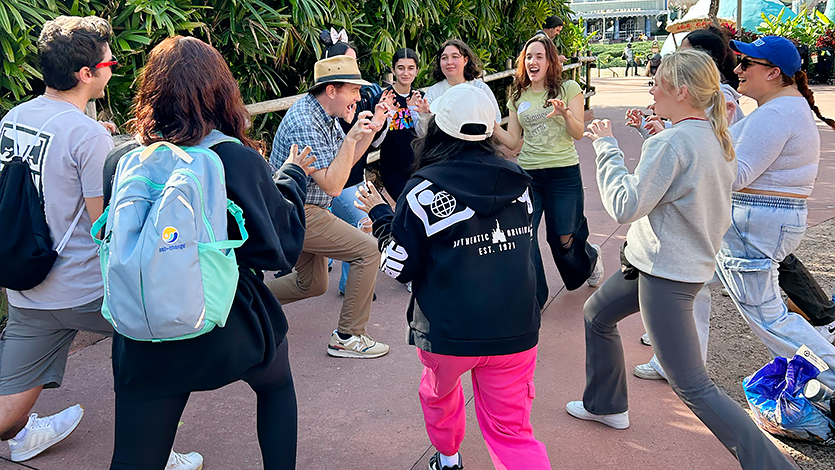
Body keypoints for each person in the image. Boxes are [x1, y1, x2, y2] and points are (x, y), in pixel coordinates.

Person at [568, 49, 796, 470]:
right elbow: (679, 182)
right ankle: (605, 404)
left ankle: (774, 466)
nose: (650, 88)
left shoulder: (676, 141)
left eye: (657, 82)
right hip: (657, 264)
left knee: (693, 386)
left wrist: (606, 146)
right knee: (596, 314)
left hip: (666, 274)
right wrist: (651, 138)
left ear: (682, 90)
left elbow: (625, 205)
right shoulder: (712, 133)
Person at [103, 36, 313, 469]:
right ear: (221, 92)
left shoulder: (124, 159)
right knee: (275, 386)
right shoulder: (232, 158)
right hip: (226, 321)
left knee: (134, 457)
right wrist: (290, 178)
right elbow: (280, 246)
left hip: (145, 323)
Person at [0, 16, 198, 468]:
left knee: (6, 419)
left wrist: (94, 142)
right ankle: (154, 453)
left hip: (26, 285)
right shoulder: (85, 135)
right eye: (109, 61)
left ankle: (24, 435)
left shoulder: (16, 117)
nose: (113, 68)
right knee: (161, 346)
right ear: (85, 73)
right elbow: (103, 225)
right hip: (84, 290)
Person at [355, 84, 550, 470]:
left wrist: (381, 218)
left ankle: (448, 458)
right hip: (516, 325)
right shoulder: (520, 182)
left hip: (447, 328)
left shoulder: (422, 189)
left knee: (440, 398)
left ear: (437, 128)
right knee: (512, 432)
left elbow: (398, 265)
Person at [714, 36, 835, 388]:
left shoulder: (778, 113)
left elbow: (736, 175)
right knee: (768, 317)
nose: (737, 70)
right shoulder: (781, 108)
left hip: (757, 219)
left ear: (773, 73)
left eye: (746, 63)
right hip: (764, 218)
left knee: (770, 319)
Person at [267, 55, 391, 359]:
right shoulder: (305, 122)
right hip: (296, 210)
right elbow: (334, 185)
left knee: (312, 284)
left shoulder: (323, 113)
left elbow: (341, 168)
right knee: (369, 250)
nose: (359, 98)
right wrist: (351, 138)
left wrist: (369, 132)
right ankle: (348, 336)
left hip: (307, 207)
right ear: (331, 90)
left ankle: (244, 303)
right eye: (354, 90)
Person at [492, 35, 604, 311]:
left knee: (563, 238)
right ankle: (534, 297)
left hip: (564, 172)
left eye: (539, 56)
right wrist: (492, 127)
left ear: (550, 60)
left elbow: (578, 134)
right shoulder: (518, 95)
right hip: (529, 174)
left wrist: (566, 114)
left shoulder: (568, 88)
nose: (533, 61)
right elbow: (514, 142)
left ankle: (589, 259)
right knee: (525, 235)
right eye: (529, 56)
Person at [317, 30, 394, 298]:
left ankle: (347, 280)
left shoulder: (366, 95)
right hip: (333, 183)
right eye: (347, 63)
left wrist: (381, 119)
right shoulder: (328, 105)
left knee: (367, 222)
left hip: (359, 178)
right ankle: (352, 285)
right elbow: (336, 159)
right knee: (362, 226)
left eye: (355, 63)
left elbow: (375, 143)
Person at [413, 39, 501, 137]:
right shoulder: (433, 92)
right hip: (443, 149)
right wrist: (424, 116)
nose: (449, 62)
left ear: (465, 60)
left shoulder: (480, 89)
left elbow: (496, 121)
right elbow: (422, 134)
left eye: (455, 57)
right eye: (444, 58)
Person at [378, 48, 423, 201]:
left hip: (419, 166)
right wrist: (387, 115)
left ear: (417, 70)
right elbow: (376, 139)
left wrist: (418, 112)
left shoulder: (420, 98)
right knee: (405, 204)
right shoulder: (385, 98)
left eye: (411, 68)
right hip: (392, 168)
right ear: (393, 70)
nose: (406, 73)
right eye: (401, 68)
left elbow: (426, 135)